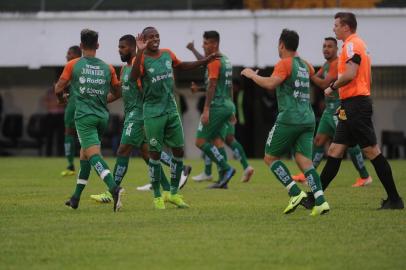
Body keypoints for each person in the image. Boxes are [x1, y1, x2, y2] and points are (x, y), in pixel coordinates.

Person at [316, 12, 403, 209]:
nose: (334, 28)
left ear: (346, 27)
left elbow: (350, 74)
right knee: (335, 150)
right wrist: (347, 99)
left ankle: (395, 199)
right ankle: (316, 197)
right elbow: (366, 78)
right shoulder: (357, 45)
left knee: (372, 151)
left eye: (336, 25)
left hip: (356, 105)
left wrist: (332, 87)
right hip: (350, 104)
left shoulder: (352, 45)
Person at [90, 35, 191, 203]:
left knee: (123, 150)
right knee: (147, 154)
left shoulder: (142, 64)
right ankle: (167, 189)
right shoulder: (124, 69)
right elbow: (120, 93)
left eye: (122, 47)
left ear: (131, 47)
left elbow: (150, 90)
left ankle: (111, 191)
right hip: (132, 115)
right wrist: (98, 100)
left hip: (139, 116)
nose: (119, 50)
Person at [241, 29, 330, 216]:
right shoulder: (304, 65)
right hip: (308, 119)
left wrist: (251, 75)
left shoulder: (284, 63)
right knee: (304, 161)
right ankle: (321, 201)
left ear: (281, 44)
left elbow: (270, 84)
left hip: (290, 118)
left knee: (270, 157)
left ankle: (294, 192)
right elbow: (312, 71)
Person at [131, 27, 216, 209]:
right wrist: (139, 51)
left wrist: (204, 61)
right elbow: (133, 77)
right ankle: (157, 196)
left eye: (157, 36)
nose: (155, 39)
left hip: (171, 110)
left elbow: (182, 66)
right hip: (153, 112)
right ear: (144, 40)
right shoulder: (141, 58)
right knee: (154, 155)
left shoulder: (167, 54)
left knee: (178, 151)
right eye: (151, 37)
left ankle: (174, 194)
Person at [54, 29, 124, 211]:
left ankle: (114, 188)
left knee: (93, 155)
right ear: (98, 46)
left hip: (84, 117)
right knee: (84, 155)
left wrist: (61, 98)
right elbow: (118, 92)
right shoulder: (107, 67)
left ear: (81, 46)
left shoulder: (73, 65)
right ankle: (75, 198)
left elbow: (58, 87)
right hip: (102, 116)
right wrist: (102, 98)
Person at [292, 37, 372, 187]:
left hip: (337, 108)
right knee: (319, 141)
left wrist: (308, 74)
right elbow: (316, 74)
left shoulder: (336, 64)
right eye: (324, 46)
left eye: (329, 46)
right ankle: (309, 175)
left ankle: (365, 176)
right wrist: (305, 66)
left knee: (349, 143)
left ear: (336, 49)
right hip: (327, 112)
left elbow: (323, 83)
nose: (326, 49)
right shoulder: (326, 64)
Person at [186, 40, 254, 184]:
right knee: (218, 140)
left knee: (206, 140)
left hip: (218, 107)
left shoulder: (216, 62)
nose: (203, 46)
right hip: (227, 106)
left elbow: (214, 85)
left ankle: (221, 169)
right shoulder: (223, 61)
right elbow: (220, 85)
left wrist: (206, 109)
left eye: (205, 43)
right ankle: (224, 173)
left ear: (214, 44)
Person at [60, 45, 82, 176]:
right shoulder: (85, 66)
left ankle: (70, 165)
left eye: (69, 54)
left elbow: (60, 86)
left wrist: (61, 95)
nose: (67, 56)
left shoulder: (71, 66)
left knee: (69, 132)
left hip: (74, 105)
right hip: (86, 105)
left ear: (76, 55)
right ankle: (90, 163)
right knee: (85, 135)